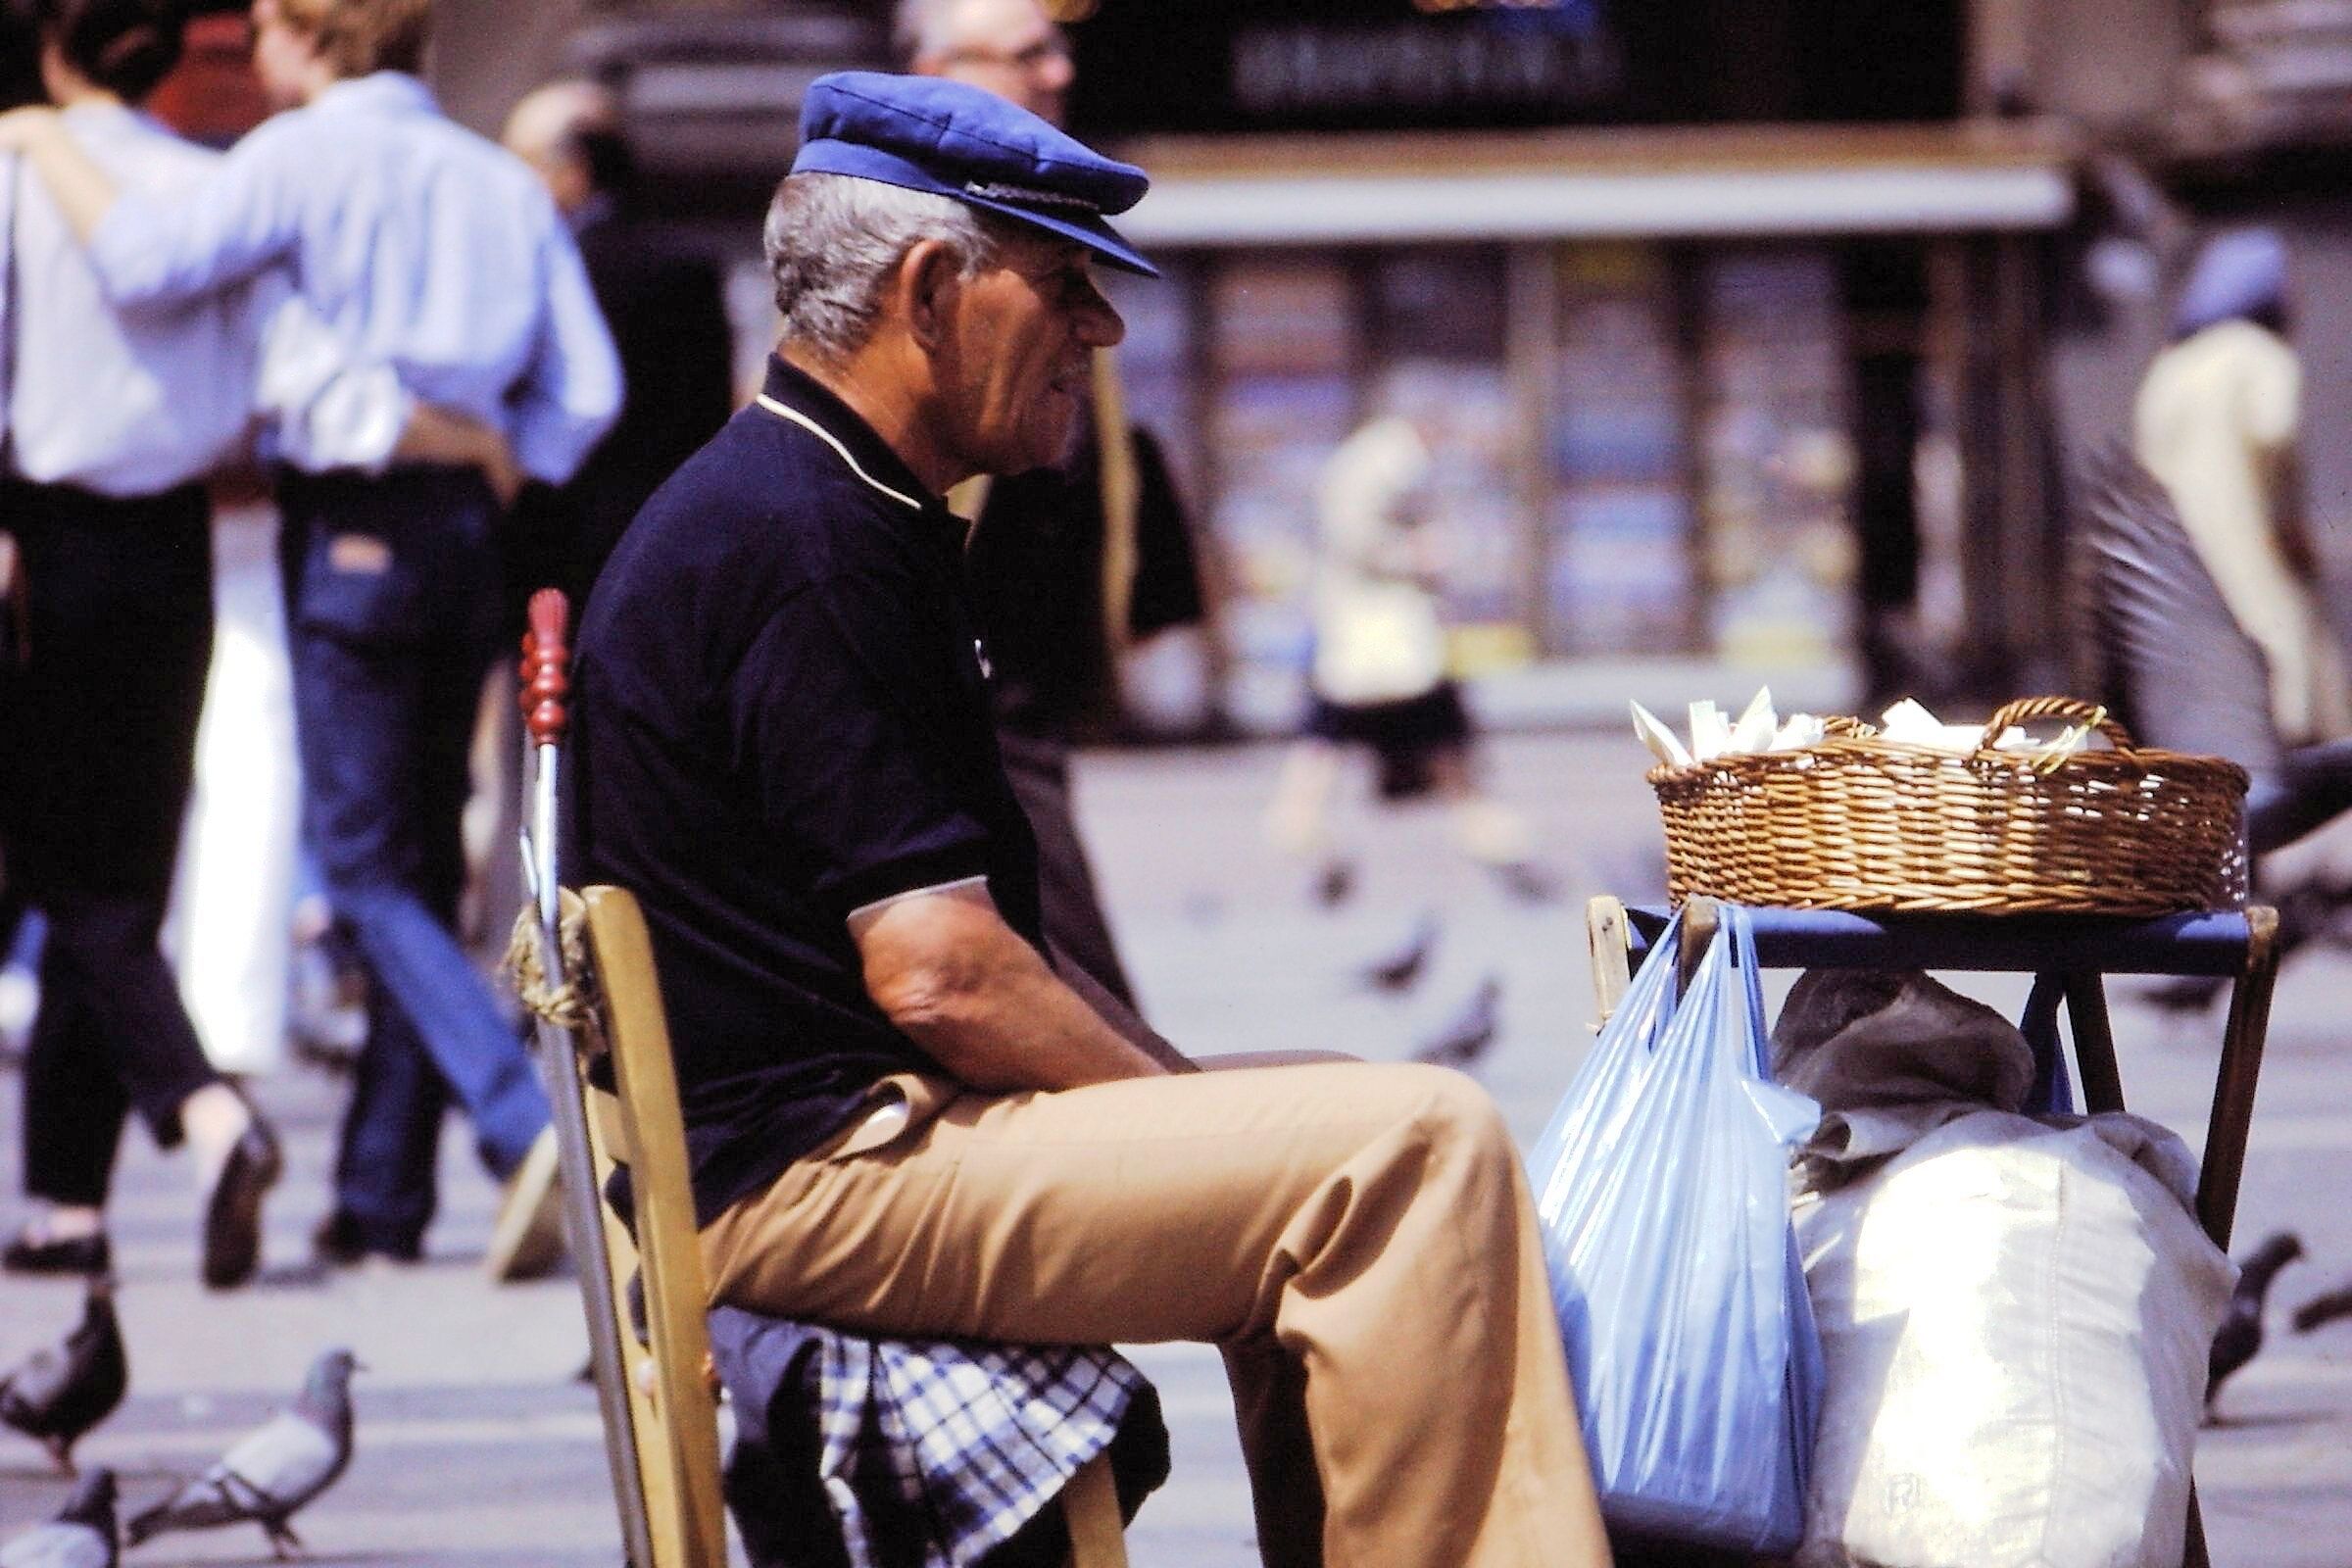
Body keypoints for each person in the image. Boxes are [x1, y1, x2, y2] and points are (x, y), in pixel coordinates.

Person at [571, 72, 1611, 1568]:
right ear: (933, 289)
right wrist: (1181, 1108)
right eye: (1064, 285)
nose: (1101, 333)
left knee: (1349, 1110)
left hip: (842, 1141)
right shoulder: (807, 544)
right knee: (1415, 1147)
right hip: (819, 1179)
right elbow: (937, 968)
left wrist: (1201, 1114)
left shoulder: (819, 499)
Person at [0, 0, 623, 1279]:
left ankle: (516, 1125)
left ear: (305, 36)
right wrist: (508, 461)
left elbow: (142, 261)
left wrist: (53, 142)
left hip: (343, 515)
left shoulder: (286, 158)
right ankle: (381, 1195)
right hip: (466, 527)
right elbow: (591, 387)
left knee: (356, 870)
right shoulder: (492, 174)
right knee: (411, 849)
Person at [898, 0, 1208, 1012]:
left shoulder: (1019, 201)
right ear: (943, 66)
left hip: (1025, 681)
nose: (1060, 70)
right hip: (964, 684)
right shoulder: (907, 215)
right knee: (1075, 994)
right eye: (1030, 51)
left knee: (1049, 968)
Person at [1262, 404, 1549, 907]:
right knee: (1436, 757)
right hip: (1383, 655)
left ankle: (1311, 842)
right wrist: (1417, 555)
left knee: (1329, 754)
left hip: (1366, 656)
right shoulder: (1383, 467)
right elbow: (1359, 540)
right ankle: (1494, 844)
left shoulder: (1377, 466)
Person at [500, 77, 736, 617]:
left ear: (574, 169)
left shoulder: (546, 270)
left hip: (556, 552)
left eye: (525, 161)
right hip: (672, 543)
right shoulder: (691, 268)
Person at [2133, 226, 2350, 749]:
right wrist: (2290, 525)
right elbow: (2273, 432)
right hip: (2248, 531)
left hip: (2178, 547)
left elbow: (2148, 452)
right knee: (2283, 640)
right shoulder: (2259, 355)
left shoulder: (2172, 365)